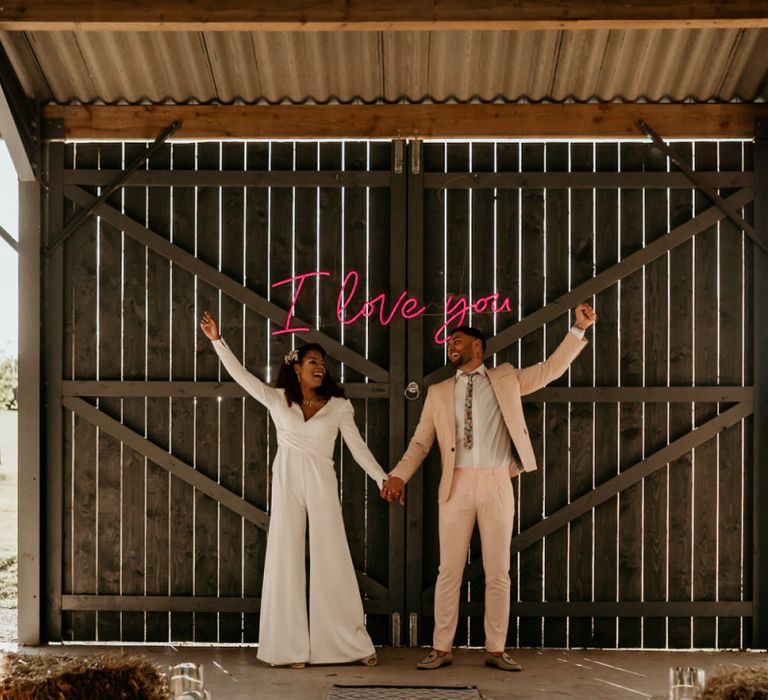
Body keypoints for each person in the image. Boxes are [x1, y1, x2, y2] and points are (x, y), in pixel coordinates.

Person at [381, 303, 597, 671]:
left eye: (458, 340)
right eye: (449, 341)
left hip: (497, 481)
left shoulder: (506, 377)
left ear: (478, 348)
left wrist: (577, 330)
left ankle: (496, 649)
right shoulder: (437, 392)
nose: (451, 345)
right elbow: (420, 443)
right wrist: (399, 475)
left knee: (498, 571)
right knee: (448, 570)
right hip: (456, 484)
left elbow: (549, 370)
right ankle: (441, 647)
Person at [200, 311, 390, 669]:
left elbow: (358, 448)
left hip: (321, 482)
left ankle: (350, 644)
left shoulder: (338, 407)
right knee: (284, 556)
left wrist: (382, 478)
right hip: (287, 480)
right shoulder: (276, 399)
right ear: (297, 368)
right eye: (312, 361)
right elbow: (241, 377)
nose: (320, 367)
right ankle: (287, 648)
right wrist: (217, 341)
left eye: (323, 363)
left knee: (332, 557)